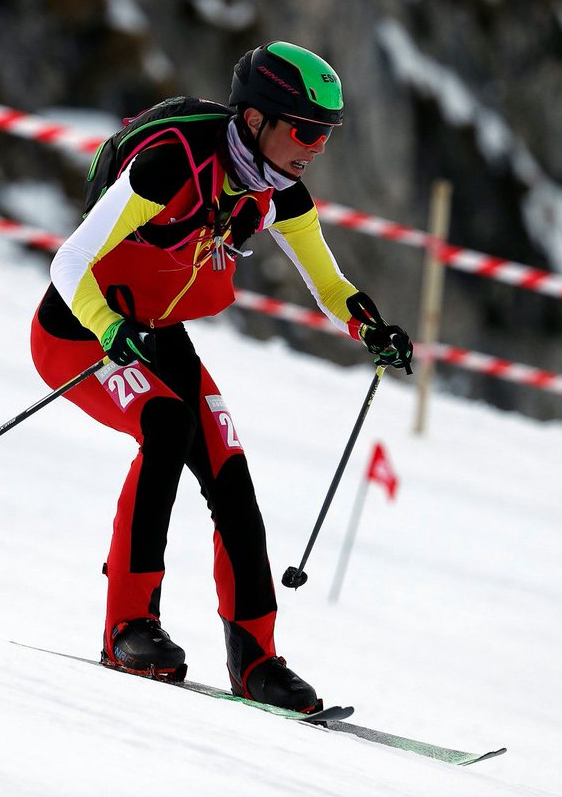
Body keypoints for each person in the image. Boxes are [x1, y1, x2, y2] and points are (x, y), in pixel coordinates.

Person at [30, 41, 413, 713]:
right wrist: (109, 329)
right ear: (259, 119)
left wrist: (369, 329)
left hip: (152, 330)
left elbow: (328, 283)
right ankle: (127, 626)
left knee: (228, 469)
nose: (316, 147)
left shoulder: (278, 193)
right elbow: (68, 263)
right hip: (79, 328)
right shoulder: (170, 164)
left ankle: (257, 661)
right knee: (164, 424)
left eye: (326, 134)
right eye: (305, 130)